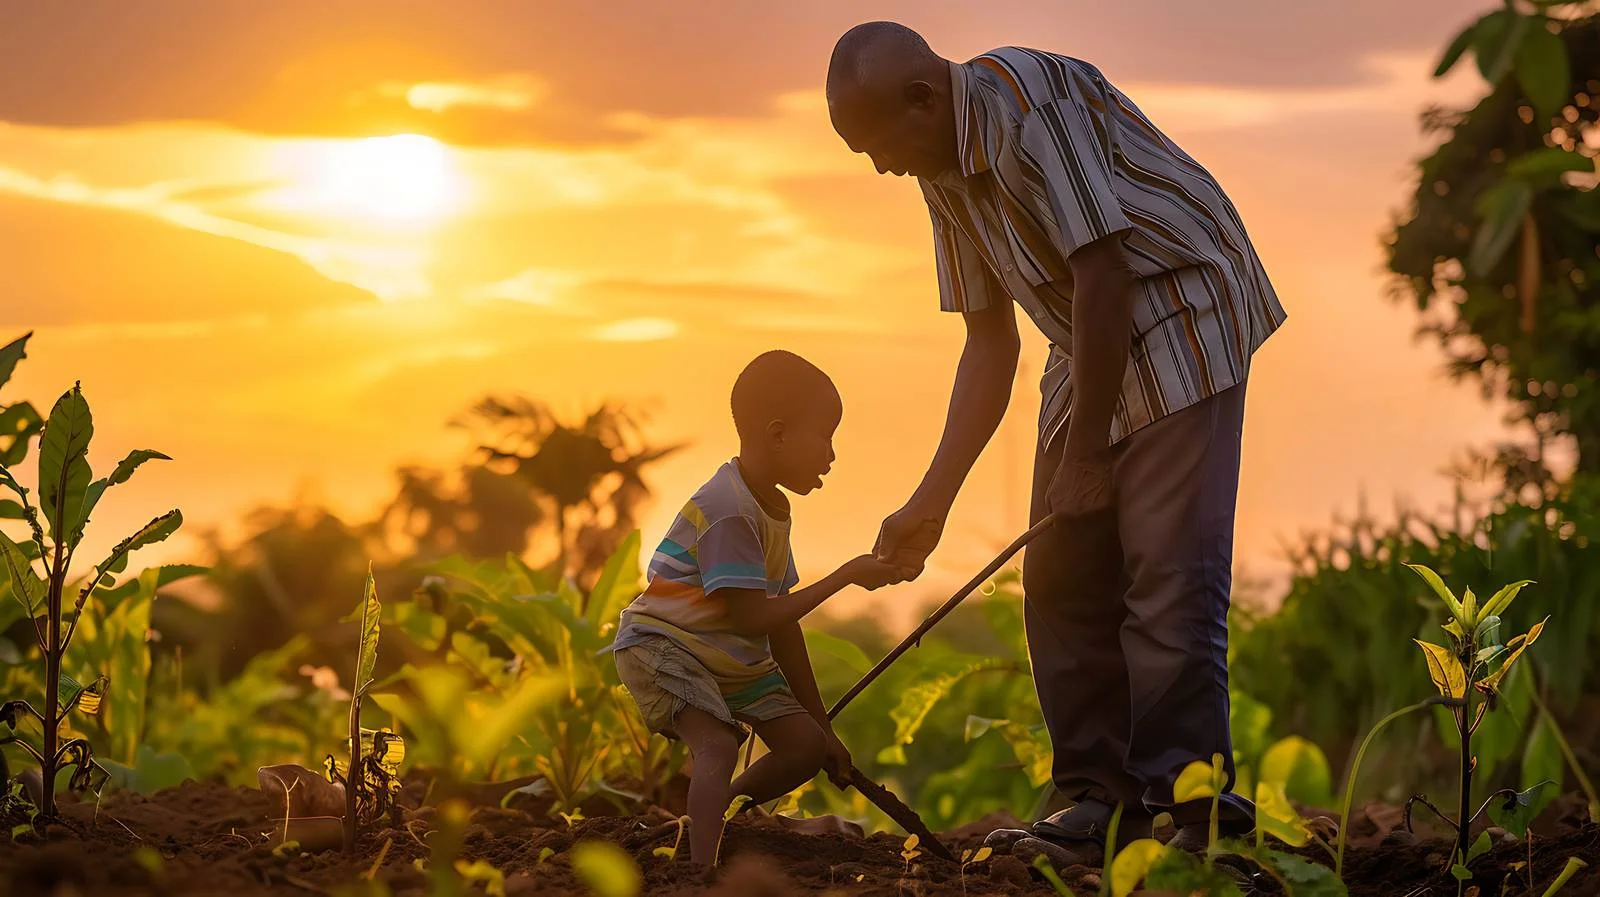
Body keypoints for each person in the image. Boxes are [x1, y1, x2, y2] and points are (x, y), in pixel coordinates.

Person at [824, 22, 1288, 861]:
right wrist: (929, 502)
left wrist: (1086, 459)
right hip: (1090, 339)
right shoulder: (940, 175)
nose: (880, 167)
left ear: (923, 99)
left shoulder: (1030, 106)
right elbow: (990, 344)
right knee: (1061, 572)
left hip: (1181, 303)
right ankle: (1098, 799)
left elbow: (1106, 272)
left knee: (1166, 573)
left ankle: (1192, 812)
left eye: (877, 146)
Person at [611, 349, 907, 866]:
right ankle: (700, 872)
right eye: (825, 437)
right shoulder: (727, 510)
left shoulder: (770, 507)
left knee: (803, 748)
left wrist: (824, 730)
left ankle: (712, 810)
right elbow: (751, 618)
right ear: (777, 435)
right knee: (719, 745)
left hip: (723, 652)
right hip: (667, 647)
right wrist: (846, 575)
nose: (832, 455)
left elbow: (781, 624)